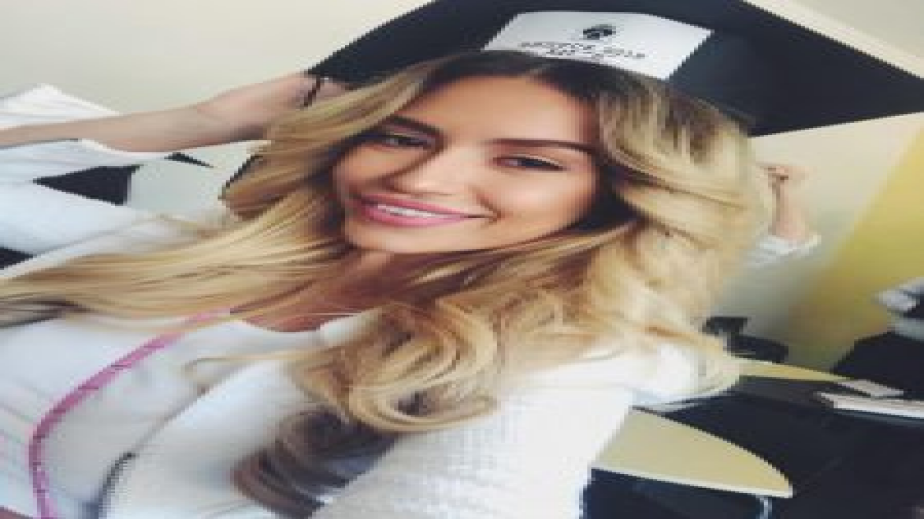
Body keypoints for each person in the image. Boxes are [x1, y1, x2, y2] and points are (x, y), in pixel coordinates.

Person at [0, 51, 761, 519]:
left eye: (527, 160)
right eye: (399, 137)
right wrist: (200, 121)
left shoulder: (554, 354)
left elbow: (474, 496)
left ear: (622, 196)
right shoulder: (202, 242)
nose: (420, 178)